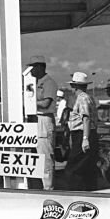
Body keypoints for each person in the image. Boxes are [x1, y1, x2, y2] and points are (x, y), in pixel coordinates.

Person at [25, 55, 58, 189]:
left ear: (39, 67)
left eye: (32, 67)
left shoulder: (49, 82)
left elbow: (46, 103)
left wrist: (29, 104)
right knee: (33, 158)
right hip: (33, 120)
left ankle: (48, 188)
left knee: (45, 157)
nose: (30, 70)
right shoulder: (33, 83)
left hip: (44, 120)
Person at [66, 71, 99, 189]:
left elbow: (86, 119)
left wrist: (85, 139)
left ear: (75, 86)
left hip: (82, 133)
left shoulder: (82, 99)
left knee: (73, 169)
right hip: (87, 133)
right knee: (87, 168)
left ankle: (76, 194)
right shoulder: (88, 98)